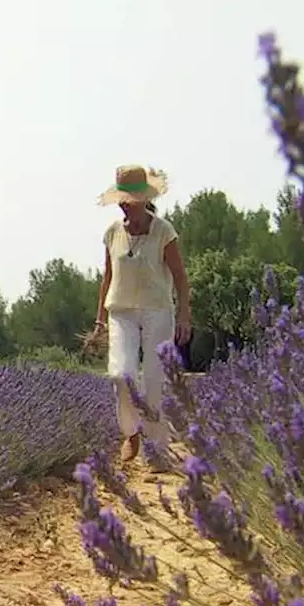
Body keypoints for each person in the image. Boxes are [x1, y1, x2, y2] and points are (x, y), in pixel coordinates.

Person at [87, 164, 192, 465]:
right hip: (120, 310)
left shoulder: (164, 231)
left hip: (157, 309)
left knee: (155, 379)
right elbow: (107, 278)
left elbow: (181, 279)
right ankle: (131, 434)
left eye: (129, 199)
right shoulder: (112, 234)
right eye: (121, 199)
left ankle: (158, 449)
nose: (124, 204)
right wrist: (99, 320)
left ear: (144, 200)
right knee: (122, 374)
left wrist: (184, 315)